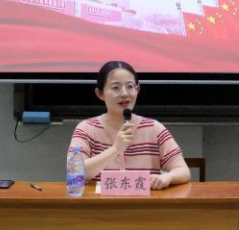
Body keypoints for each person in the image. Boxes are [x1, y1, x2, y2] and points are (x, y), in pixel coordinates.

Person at [69, 60, 190, 189]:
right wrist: (115, 149)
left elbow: (183, 170)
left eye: (130, 87)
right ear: (100, 93)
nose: (124, 93)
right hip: (99, 202)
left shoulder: (154, 128)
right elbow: (74, 172)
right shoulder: (86, 129)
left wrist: (168, 177)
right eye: (115, 88)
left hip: (144, 201)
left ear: (138, 89)